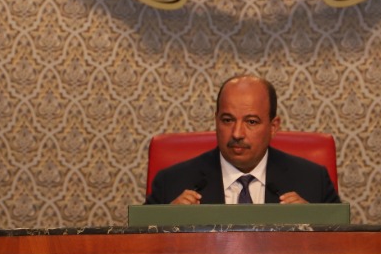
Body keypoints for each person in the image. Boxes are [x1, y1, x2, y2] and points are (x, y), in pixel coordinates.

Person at [145, 75, 341, 205]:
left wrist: (315, 226)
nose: (237, 133)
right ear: (216, 120)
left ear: (273, 127)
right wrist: (166, 224)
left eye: (252, 122)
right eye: (228, 120)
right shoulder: (170, 184)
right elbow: (140, 251)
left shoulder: (313, 182)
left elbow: (343, 251)